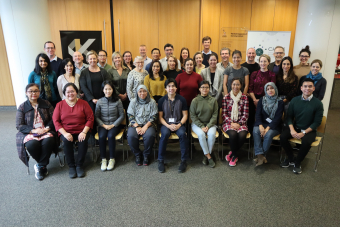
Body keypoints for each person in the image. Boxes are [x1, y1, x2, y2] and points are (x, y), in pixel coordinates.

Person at [280, 78, 323, 174]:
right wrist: (292, 130)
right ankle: (291, 158)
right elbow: (289, 117)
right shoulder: (295, 100)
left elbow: (317, 122)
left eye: (310, 86)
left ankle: (298, 162)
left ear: (314, 88)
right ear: (301, 88)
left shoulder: (318, 104)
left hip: (309, 130)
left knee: (306, 142)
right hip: (296, 127)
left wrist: (303, 133)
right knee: (282, 137)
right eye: (305, 86)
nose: (307, 88)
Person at [16, 83, 57, 180]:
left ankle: (40, 166)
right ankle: (42, 165)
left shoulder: (46, 103)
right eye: (31, 91)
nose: (33, 93)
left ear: (39, 92)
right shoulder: (22, 107)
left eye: (36, 91)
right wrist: (33, 130)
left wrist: (47, 128)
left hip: (45, 130)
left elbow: (55, 118)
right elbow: (19, 125)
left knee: (49, 141)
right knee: (31, 145)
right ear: (26, 93)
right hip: (30, 132)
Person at [53, 83, 94, 178]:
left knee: (83, 141)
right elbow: (56, 121)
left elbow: (90, 118)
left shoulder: (84, 103)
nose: (70, 94)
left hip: (82, 130)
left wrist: (84, 132)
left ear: (76, 92)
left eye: (72, 91)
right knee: (66, 142)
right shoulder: (59, 105)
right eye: (68, 92)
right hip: (66, 131)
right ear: (64, 93)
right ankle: (71, 166)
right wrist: (65, 133)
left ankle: (79, 165)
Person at [158, 78, 189, 173]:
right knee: (164, 135)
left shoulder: (182, 99)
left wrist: (179, 124)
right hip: (166, 124)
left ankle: (184, 161)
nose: (171, 88)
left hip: (178, 124)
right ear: (165, 88)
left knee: (183, 135)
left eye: (173, 86)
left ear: (176, 88)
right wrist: (168, 125)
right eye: (169, 86)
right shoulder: (161, 100)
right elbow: (160, 117)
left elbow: (185, 115)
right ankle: (160, 160)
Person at [95, 80, 124, 171]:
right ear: (103, 90)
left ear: (113, 90)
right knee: (102, 136)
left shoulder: (118, 101)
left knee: (111, 136)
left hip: (114, 125)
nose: (108, 91)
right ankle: (103, 159)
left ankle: (112, 159)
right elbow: (96, 116)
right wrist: (103, 125)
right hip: (103, 125)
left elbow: (122, 115)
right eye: (106, 89)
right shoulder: (99, 101)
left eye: (110, 89)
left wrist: (113, 125)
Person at [79, 50, 110, 136]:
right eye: (90, 59)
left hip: (103, 99)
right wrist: (92, 99)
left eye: (94, 58)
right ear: (87, 60)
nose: (93, 60)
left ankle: (103, 136)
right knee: (91, 118)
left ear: (97, 59)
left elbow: (108, 84)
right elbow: (83, 86)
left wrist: (104, 98)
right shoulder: (84, 72)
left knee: (103, 117)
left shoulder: (103, 72)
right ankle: (93, 138)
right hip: (89, 101)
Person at [253, 82, 284, 166]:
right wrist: (260, 125)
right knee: (255, 130)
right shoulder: (262, 100)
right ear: (265, 91)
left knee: (268, 134)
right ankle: (261, 156)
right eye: (268, 89)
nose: (270, 90)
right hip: (262, 123)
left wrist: (267, 128)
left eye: (272, 88)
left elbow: (278, 118)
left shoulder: (280, 102)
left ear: (275, 89)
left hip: (274, 126)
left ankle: (261, 156)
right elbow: (258, 114)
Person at [127, 85, 158, 166]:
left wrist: (146, 126)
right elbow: (130, 115)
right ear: (137, 93)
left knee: (150, 135)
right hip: (135, 124)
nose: (142, 93)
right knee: (131, 136)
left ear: (147, 92)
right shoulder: (133, 101)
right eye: (140, 91)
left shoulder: (152, 102)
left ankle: (146, 155)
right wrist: (137, 127)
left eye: (144, 91)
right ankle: (137, 155)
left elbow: (154, 116)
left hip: (149, 124)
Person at [190, 80, 218, 168]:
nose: (205, 89)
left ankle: (206, 154)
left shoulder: (213, 100)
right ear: (199, 89)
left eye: (207, 87)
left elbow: (215, 115)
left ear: (209, 89)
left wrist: (208, 126)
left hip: (210, 124)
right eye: (203, 87)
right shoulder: (195, 101)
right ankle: (209, 157)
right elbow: (193, 116)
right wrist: (202, 126)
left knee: (212, 134)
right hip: (197, 124)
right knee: (201, 134)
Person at [222, 78, 249, 167]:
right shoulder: (226, 97)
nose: (235, 86)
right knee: (233, 134)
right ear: (231, 85)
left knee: (242, 135)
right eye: (234, 84)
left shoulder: (244, 98)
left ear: (241, 86)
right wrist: (231, 123)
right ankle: (235, 155)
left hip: (241, 123)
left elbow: (245, 114)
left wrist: (239, 124)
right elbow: (224, 114)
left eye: (238, 84)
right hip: (228, 123)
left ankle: (232, 153)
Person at [241, 47, 260, 135]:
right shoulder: (243, 66)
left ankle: (252, 136)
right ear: (246, 54)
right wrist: (245, 93)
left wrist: (252, 95)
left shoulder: (258, 66)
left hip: (255, 96)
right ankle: (244, 134)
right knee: (244, 116)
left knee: (252, 116)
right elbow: (241, 81)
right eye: (249, 53)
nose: (251, 55)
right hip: (244, 95)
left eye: (253, 53)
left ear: (255, 55)